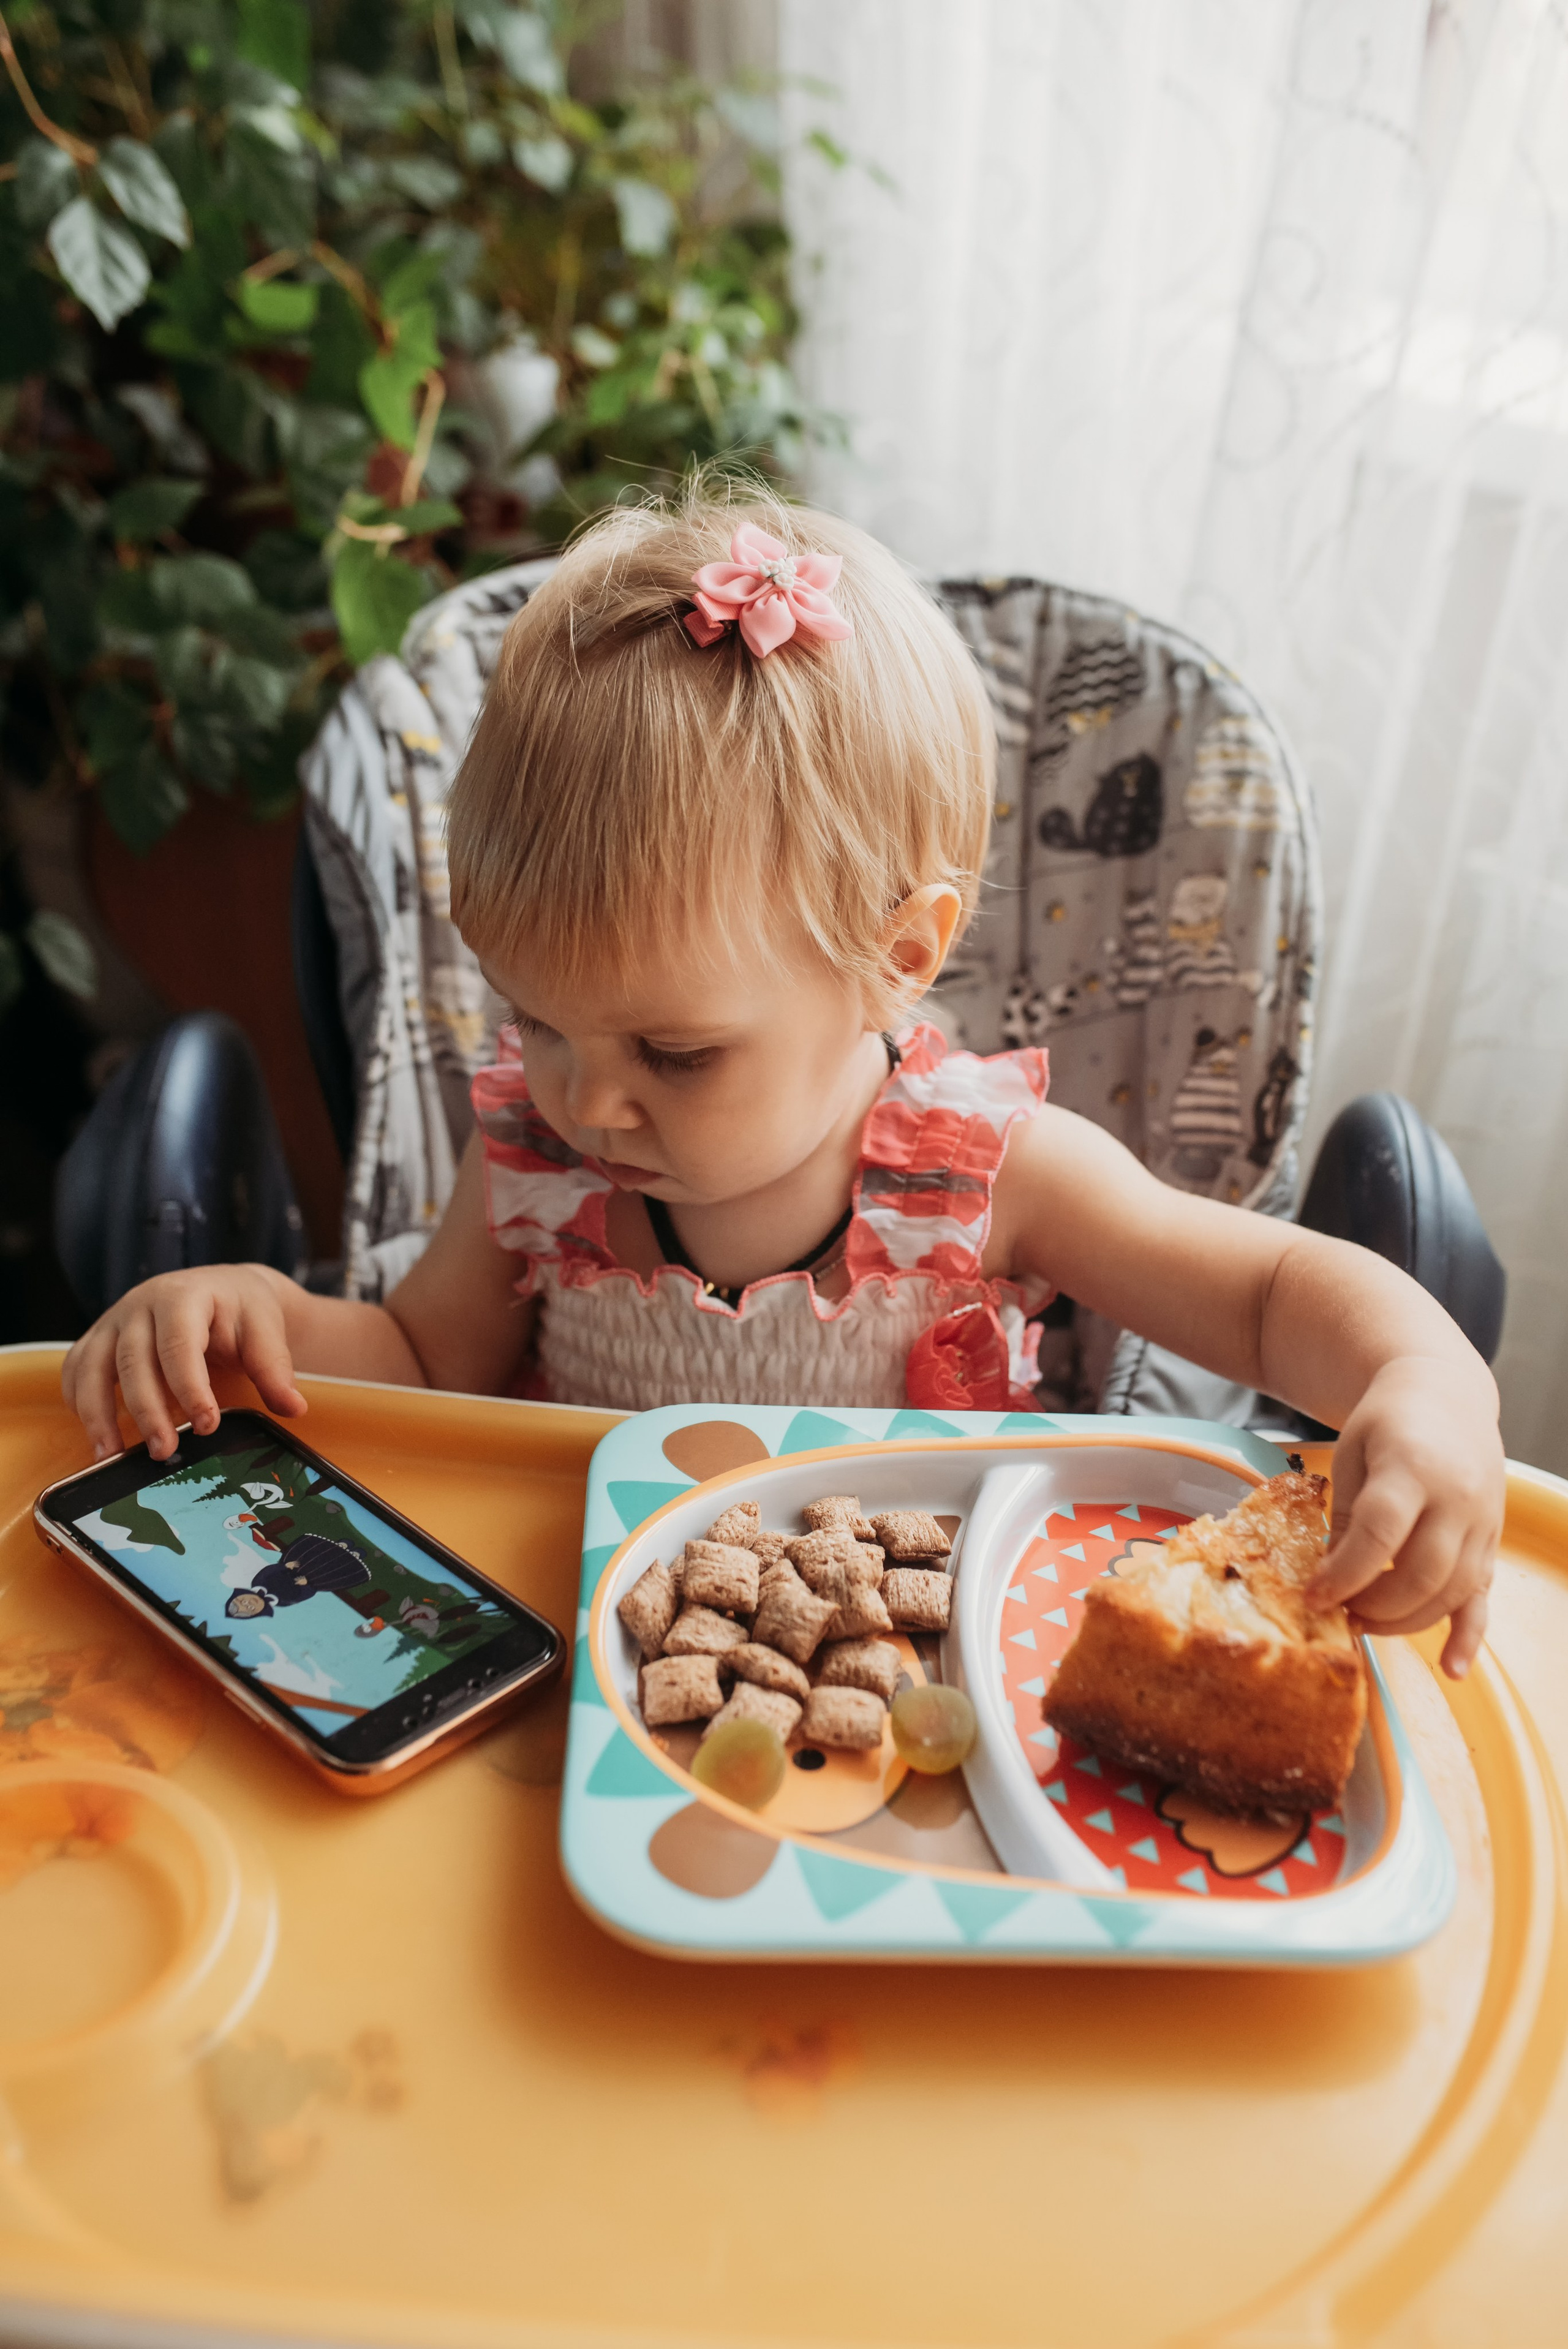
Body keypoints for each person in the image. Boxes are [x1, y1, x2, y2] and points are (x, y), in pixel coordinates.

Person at [61, 489, 1504, 1680]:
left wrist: (1420, 1381)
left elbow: (1260, 1297)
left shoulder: (990, 1176)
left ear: (895, 961)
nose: (586, 1099)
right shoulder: (536, 1155)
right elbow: (424, 1360)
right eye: (536, 1021)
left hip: (922, 1676)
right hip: (579, 1662)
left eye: (674, 1053)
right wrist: (259, 1318)